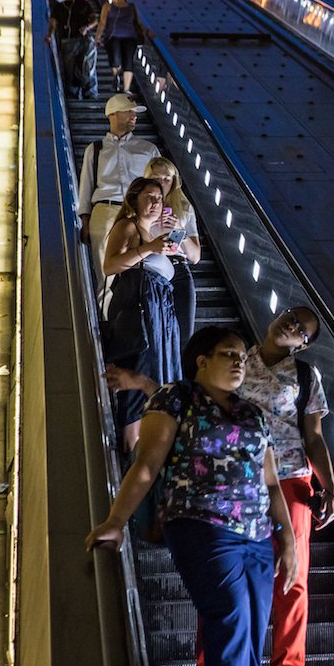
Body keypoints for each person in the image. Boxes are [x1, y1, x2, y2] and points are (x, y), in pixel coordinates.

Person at [106, 307, 334, 666]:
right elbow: (189, 402)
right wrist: (144, 383)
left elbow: (313, 436)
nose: (291, 324)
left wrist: (330, 487)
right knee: (222, 578)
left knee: (291, 574)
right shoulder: (234, 356)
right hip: (231, 484)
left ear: (303, 344)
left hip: (289, 477)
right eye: (290, 315)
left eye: (302, 329)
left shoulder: (303, 376)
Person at [87, 326, 300, 666]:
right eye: (228, 354)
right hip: (201, 525)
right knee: (233, 623)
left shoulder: (253, 412)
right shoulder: (175, 398)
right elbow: (147, 464)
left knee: (254, 638)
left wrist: (288, 543)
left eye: (241, 356)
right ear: (202, 361)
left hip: (256, 536)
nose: (240, 362)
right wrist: (116, 522)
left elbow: (271, 483)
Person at [103, 177, 182, 451]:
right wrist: (148, 249)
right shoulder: (128, 226)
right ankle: (131, 450)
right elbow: (109, 266)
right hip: (144, 307)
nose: (155, 202)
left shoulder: (155, 235)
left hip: (162, 312)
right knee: (142, 367)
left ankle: (153, 446)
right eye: (149, 196)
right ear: (134, 198)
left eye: (159, 198)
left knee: (160, 373)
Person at [77, 93, 160, 283]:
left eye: (135, 112)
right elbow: (86, 185)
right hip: (105, 210)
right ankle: (106, 310)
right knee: (105, 272)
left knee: (140, 267)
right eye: (128, 111)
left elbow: (159, 184)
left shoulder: (148, 149)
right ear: (112, 114)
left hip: (139, 213)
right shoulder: (96, 149)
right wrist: (85, 220)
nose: (134, 116)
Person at [145, 157, 202, 344]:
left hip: (179, 268)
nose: (162, 183)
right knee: (151, 333)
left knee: (183, 334)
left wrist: (180, 231)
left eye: (167, 178)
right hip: (151, 268)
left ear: (174, 181)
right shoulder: (139, 204)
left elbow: (195, 256)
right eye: (156, 177)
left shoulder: (184, 208)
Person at [47, 0, 98, 99]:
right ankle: (76, 93)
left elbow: (94, 19)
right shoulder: (59, 6)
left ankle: (89, 92)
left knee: (87, 66)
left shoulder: (83, 4)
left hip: (83, 39)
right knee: (71, 69)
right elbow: (53, 22)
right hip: (68, 41)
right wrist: (49, 35)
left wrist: (87, 27)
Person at [97, 0, 151, 92]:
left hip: (130, 37)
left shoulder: (131, 7)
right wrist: (97, 37)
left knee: (128, 62)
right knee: (116, 60)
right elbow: (102, 23)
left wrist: (146, 32)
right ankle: (116, 77)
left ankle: (126, 88)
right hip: (113, 37)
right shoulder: (108, 7)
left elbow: (139, 23)